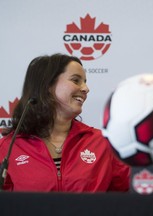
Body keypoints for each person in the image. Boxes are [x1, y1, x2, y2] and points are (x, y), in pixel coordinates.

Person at [0, 53, 130, 192]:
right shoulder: (8, 147)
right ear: (48, 85)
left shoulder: (102, 142)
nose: (86, 88)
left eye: (85, 81)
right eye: (76, 80)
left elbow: (137, 190)